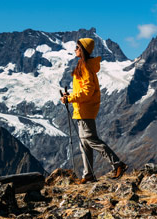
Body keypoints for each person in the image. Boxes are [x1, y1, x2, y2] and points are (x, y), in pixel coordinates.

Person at [60, 38, 128, 184]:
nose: (75, 49)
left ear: (83, 49)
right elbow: (84, 90)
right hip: (83, 109)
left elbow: (87, 91)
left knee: (90, 140)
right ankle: (88, 174)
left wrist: (70, 98)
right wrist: (70, 96)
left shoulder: (85, 67)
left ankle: (117, 164)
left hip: (85, 109)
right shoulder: (84, 66)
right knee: (84, 143)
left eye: (77, 47)